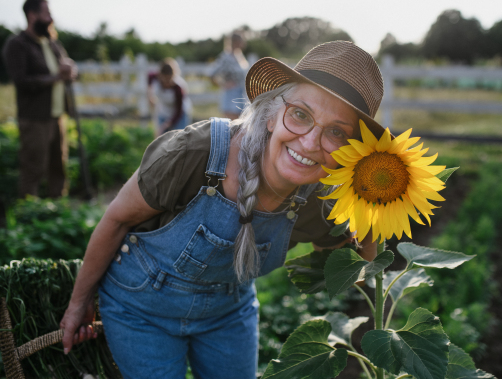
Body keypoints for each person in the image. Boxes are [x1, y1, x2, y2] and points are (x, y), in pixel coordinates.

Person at [60, 41, 385, 379]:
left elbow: (345, 270)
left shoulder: (320, 199)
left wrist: (374, 205)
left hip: (228, 313)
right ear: (273, 114)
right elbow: (116, 219)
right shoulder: (194, 152)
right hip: (141, 310)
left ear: (352, 151)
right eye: (301, 114)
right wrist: (77, 304)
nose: (309, 142)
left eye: (336, 132)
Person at [2, 0, 77, 198]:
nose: (51, 18)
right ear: (32, 15)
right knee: (33, 167)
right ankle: (29, 213)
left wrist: (70, 71)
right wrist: (55, 77)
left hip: (57, 116)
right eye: (46, 13)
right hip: (35, 119)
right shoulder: (17, 44)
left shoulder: (52, 43)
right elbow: (21, 80)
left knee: (58, 166)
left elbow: (66, 69)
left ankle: (57, 209)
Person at [147, 58, 192, 137]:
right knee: (161, 139)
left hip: (179, 114)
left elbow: (178, 111)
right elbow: (150, 75)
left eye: (169, 80)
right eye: (165, 80)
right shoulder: (156, 78)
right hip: (163, 111)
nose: (167, 83)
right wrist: (150, 95)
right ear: (160, 76)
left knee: (179, 138)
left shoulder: (179, 88)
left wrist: (164, 126)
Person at [210, 32, 248, 120]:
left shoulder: (240, 56)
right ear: (235, 42)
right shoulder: (226, 57)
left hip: (241, 94)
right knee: (232, 124)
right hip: (231, 95)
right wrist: (223, 84)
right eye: (241, 41)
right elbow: (212, 73)